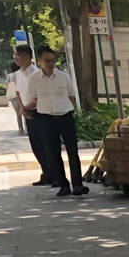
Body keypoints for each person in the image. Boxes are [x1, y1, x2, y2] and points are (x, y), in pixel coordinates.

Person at [19, 46, 88, 197]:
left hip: (65, 117)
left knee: (72, 152)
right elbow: (34, 99)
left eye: (53, 60)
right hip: (46, 119)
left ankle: (77, 185)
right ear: (40, 61)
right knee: (53, 153)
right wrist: (24, 109)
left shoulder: (64, 77)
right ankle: (63, 185)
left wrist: (62, 107)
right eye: (47, 61)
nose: (51, 63)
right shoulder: (34, 79)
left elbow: (71, 96)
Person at [9, 45, 49, 186]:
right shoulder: (18, 74)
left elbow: (39, 96)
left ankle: (53, 174)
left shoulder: (37, 73)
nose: (16, 58)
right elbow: (18, 93)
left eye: (17, 55)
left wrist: (26, 108)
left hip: (40, 112)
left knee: (46, 145)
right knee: (35, 145)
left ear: (27, 56)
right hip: (27, 112)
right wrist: (22, 108)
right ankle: (46, 172)